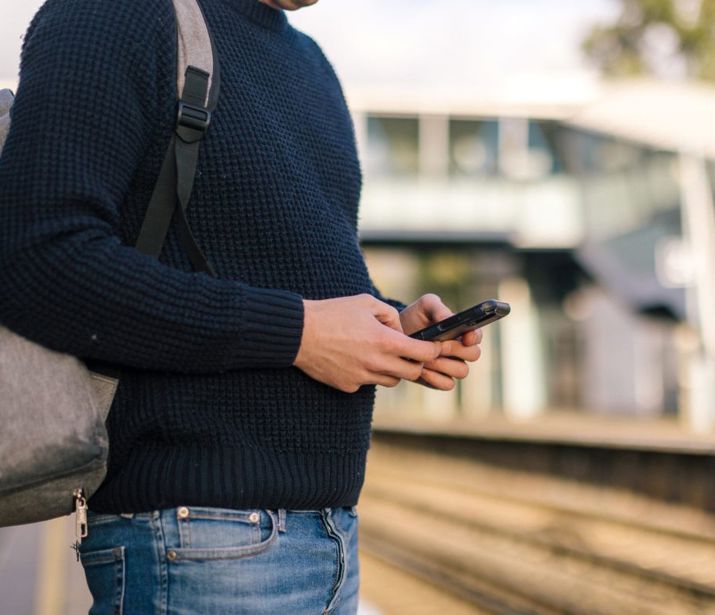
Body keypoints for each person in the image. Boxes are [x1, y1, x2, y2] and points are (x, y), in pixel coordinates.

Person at [0, 0, 481, 612]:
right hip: (198, 544)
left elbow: (277, 275)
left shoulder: (311, 63)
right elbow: (38, 260)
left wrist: (390, 326)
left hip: (330, 537)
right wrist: (300, 334)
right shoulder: (113, 12)